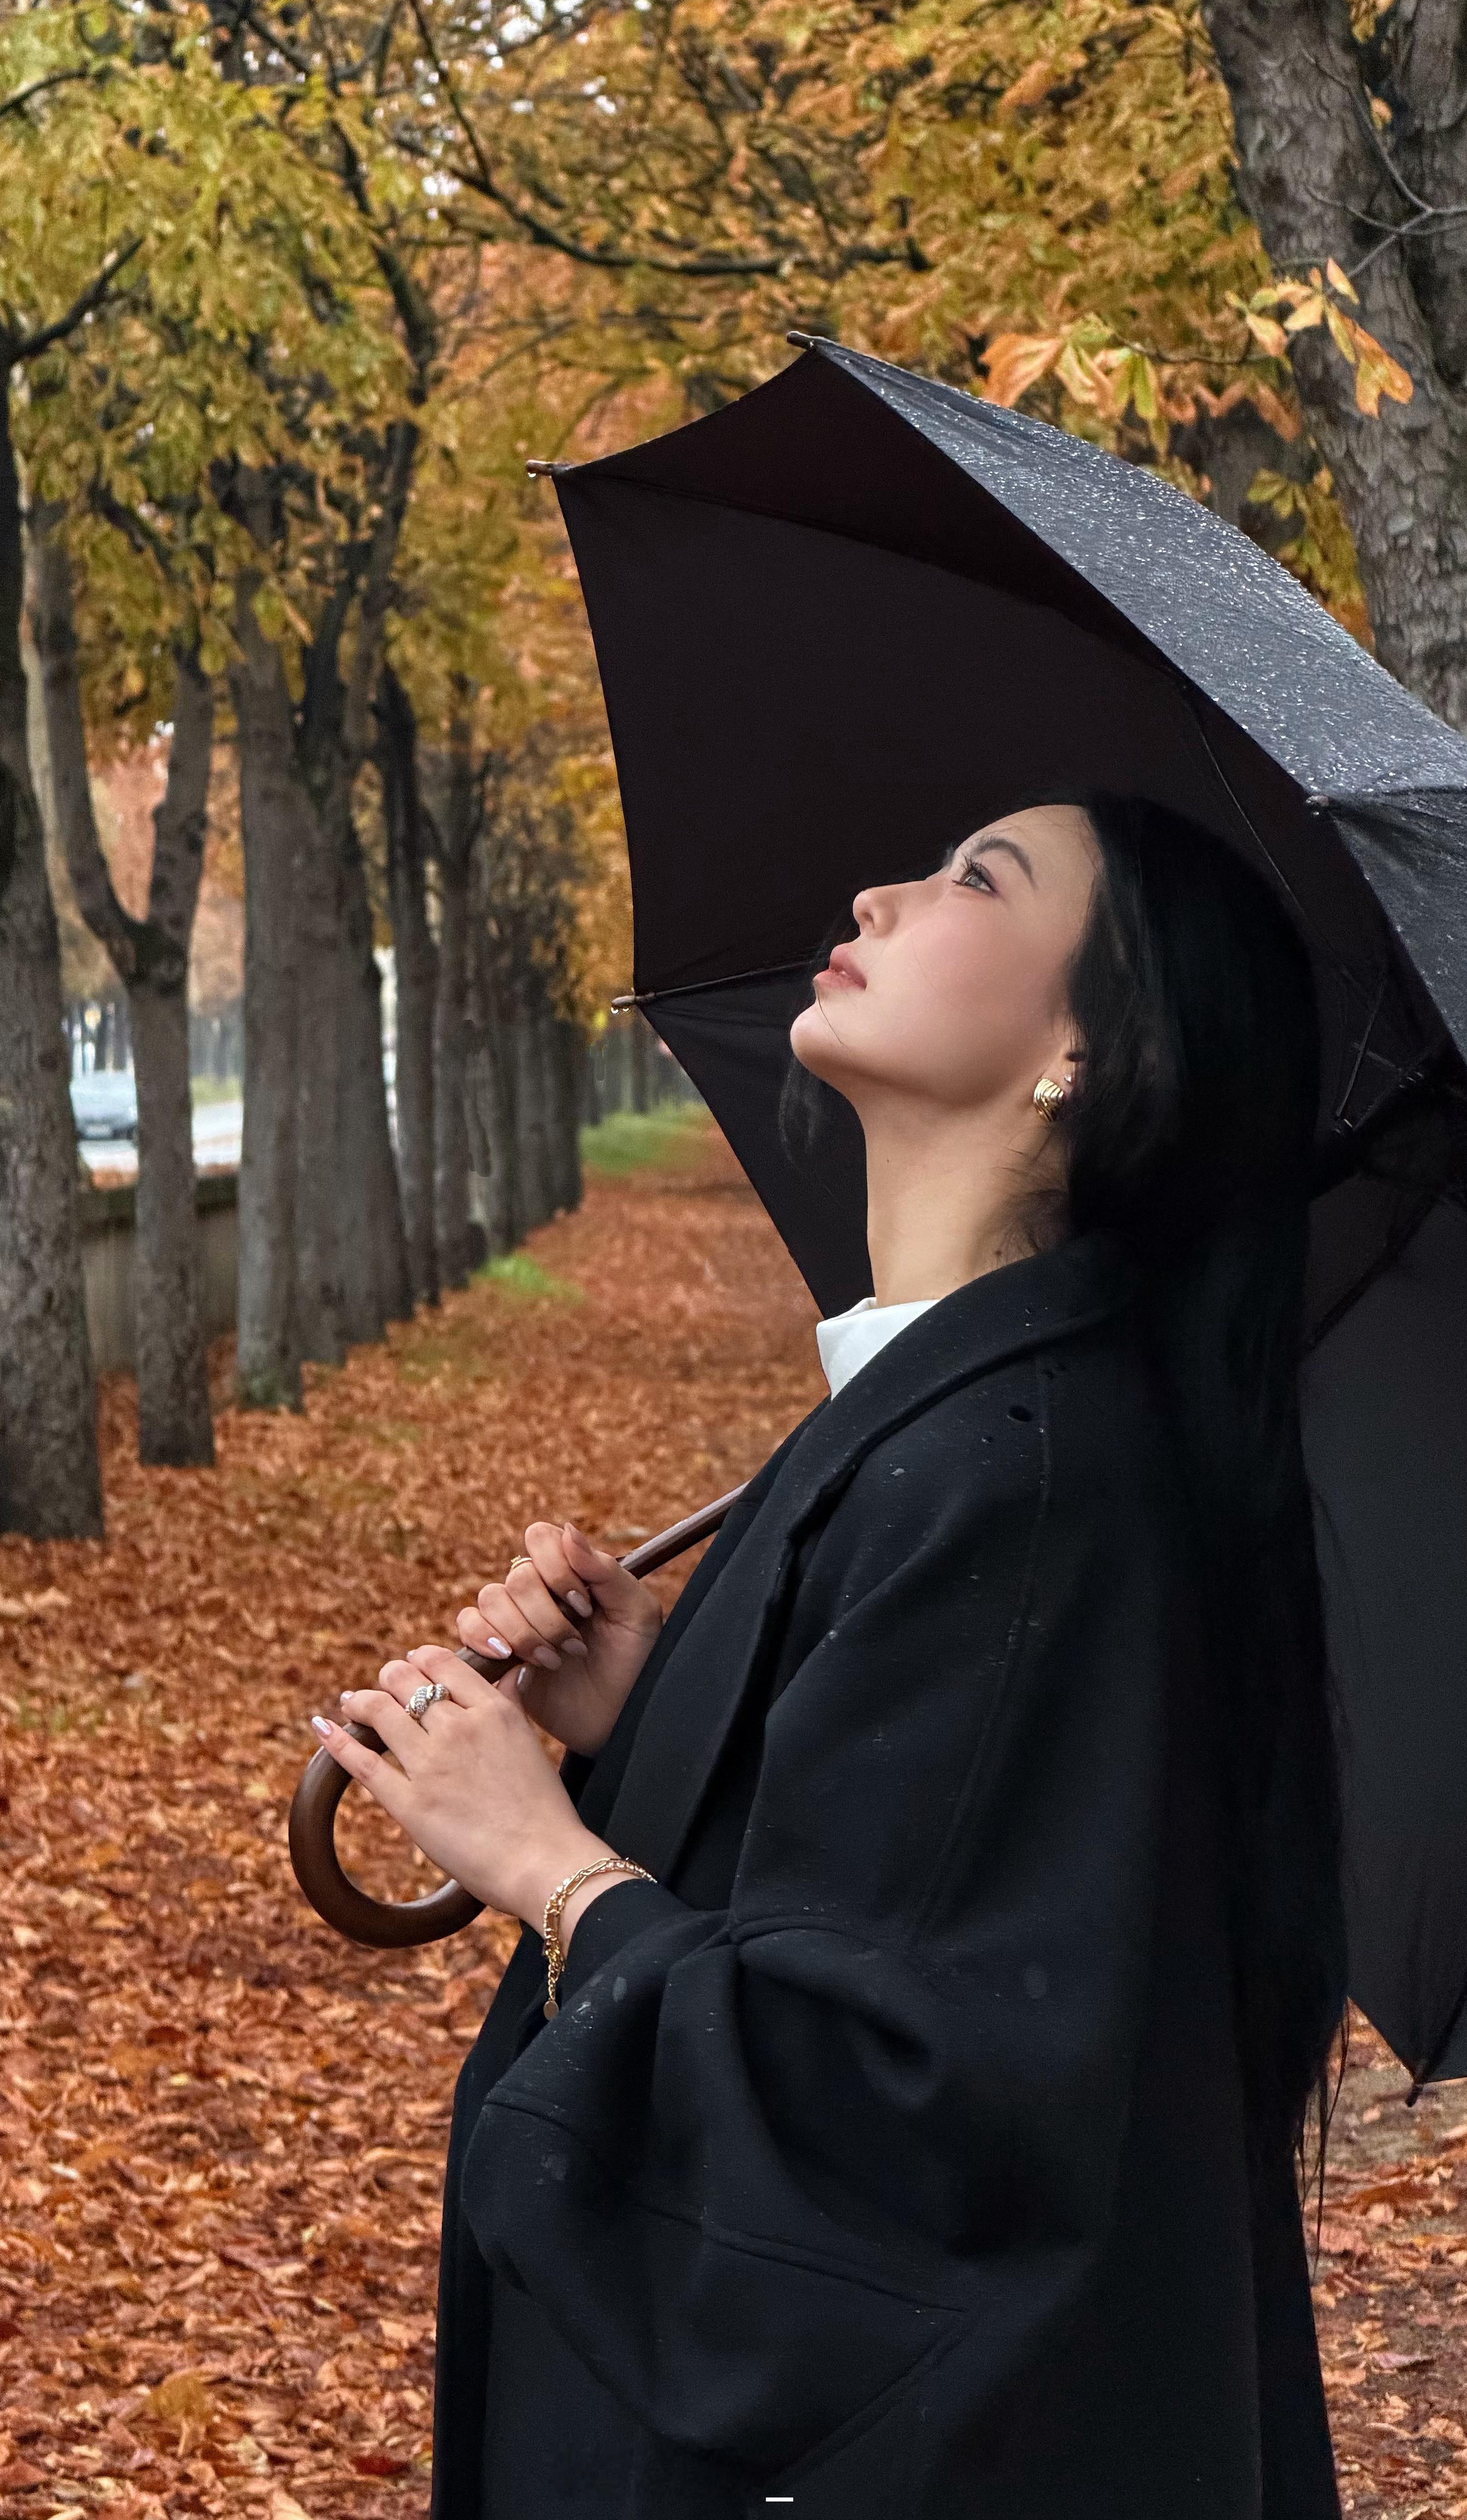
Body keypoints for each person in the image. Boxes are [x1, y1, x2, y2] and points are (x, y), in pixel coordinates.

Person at [311, 795, 1348, 2518]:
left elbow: (894, 2114)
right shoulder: (951, 1422)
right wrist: (673, 1711)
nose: (871, 885)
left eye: (973, 880)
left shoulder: (1015, 1472)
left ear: (1088, 1049)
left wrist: (547, 1863)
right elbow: (920, 1876)